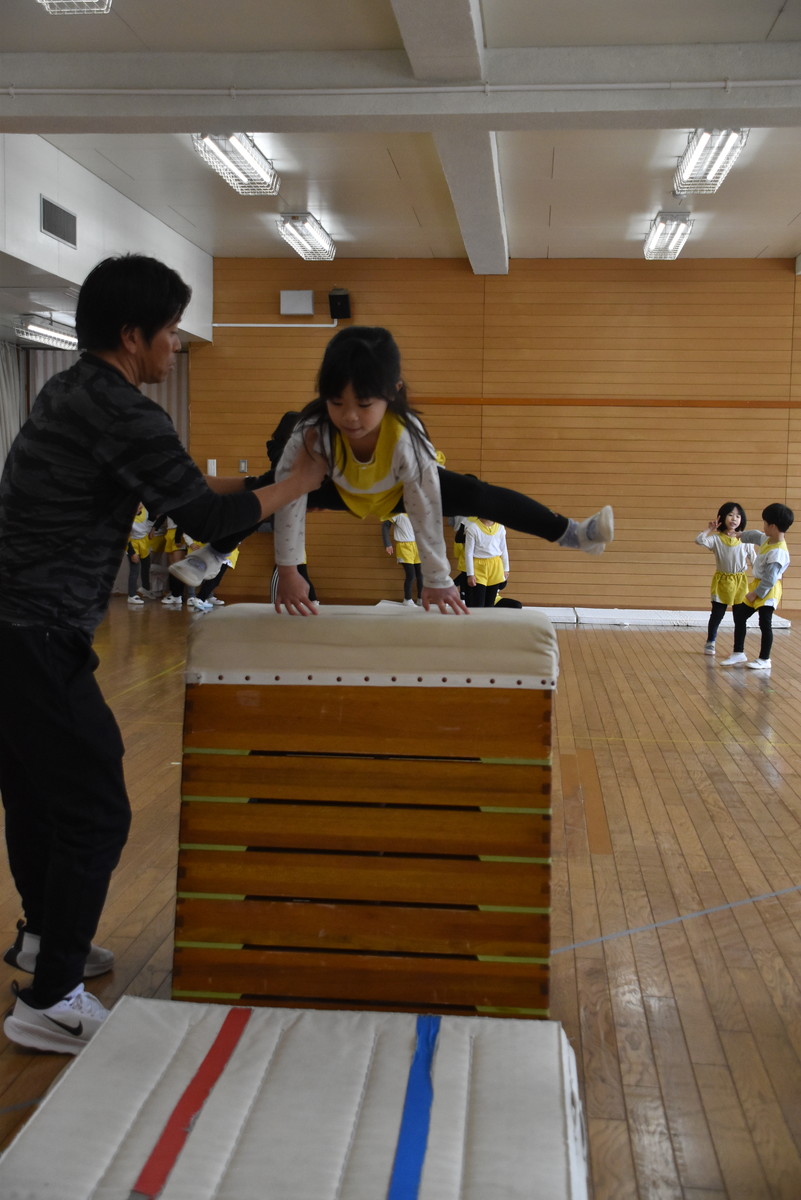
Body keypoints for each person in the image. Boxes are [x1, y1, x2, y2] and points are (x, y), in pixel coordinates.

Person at [0, 253, 325, 1054]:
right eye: (172, 331)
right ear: (131, 335)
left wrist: (270, 481)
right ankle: (51, 1000)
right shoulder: (126, 412)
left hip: (12, 632)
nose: (176, 345)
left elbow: (190, 495)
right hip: (36, 634)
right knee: (98, 809)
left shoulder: (67, 391)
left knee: (38, 794)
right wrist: (297, 484)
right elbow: (207, 523)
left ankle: (43, 942)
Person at [176, 326, 614, 615]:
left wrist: (437, 579)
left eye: (364, 404)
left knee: (479, 495)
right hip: (336, 487)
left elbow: (425, 506)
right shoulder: (312, 432)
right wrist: (289, 571)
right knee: (268, 489)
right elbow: (287, 500)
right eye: (336, 403)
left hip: (400, 490)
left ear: (394, 393)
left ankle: (572, 533)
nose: (349, 417)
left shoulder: (406, 435)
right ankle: (214, 553)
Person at [720, 503, 794, 671]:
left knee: (765, 622)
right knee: (740, 615)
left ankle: (765, 659)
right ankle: (738, 652)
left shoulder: (778, 552)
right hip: (759, 584)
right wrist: (740, 535)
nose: (763, 526)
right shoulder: (767, 539)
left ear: (772, 526)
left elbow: (770, 579)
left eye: (765, 523)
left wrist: (755, 594)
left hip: (769, 589)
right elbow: (755, 535)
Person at [695, 501, 753, 655]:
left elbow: (754, 560)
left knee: (739, 617)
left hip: (740, 582)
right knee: (717, 614)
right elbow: (699, 540)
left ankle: (738, 649)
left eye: (738, 516)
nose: (734, 519)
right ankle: (710, 642)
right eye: (730, 515)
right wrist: (709, 529)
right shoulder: (716, 539)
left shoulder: (745, 539)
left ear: (742, 520)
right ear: (722, 517)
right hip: (722, 581)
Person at [463, 516, 509, 608]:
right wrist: (470, 574)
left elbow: (504, 549)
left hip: (495, 565)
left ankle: (489, 617)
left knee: (490, 603)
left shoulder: (500, 527)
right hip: (479, 566)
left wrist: (506, 568)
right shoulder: (473, 528)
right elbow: (468, 553)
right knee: (478, 603)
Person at [382, 512, 423, 605]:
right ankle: (407, 599)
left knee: (421, 575)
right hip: (404, 546)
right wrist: (387, 544)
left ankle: (421, 598)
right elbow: (385, 525)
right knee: (411, 575)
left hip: (418, 545)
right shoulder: (398, 513)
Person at [126, 502, 153, 606]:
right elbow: (126, 536)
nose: (139, 506)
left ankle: (146, 589)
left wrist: (152, 529)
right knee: (135, 569)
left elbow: (150, 520)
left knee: (146, 566)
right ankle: (132, 595)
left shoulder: (145, 511)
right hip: (133, 543)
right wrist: (132, 553)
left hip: (144, 541)